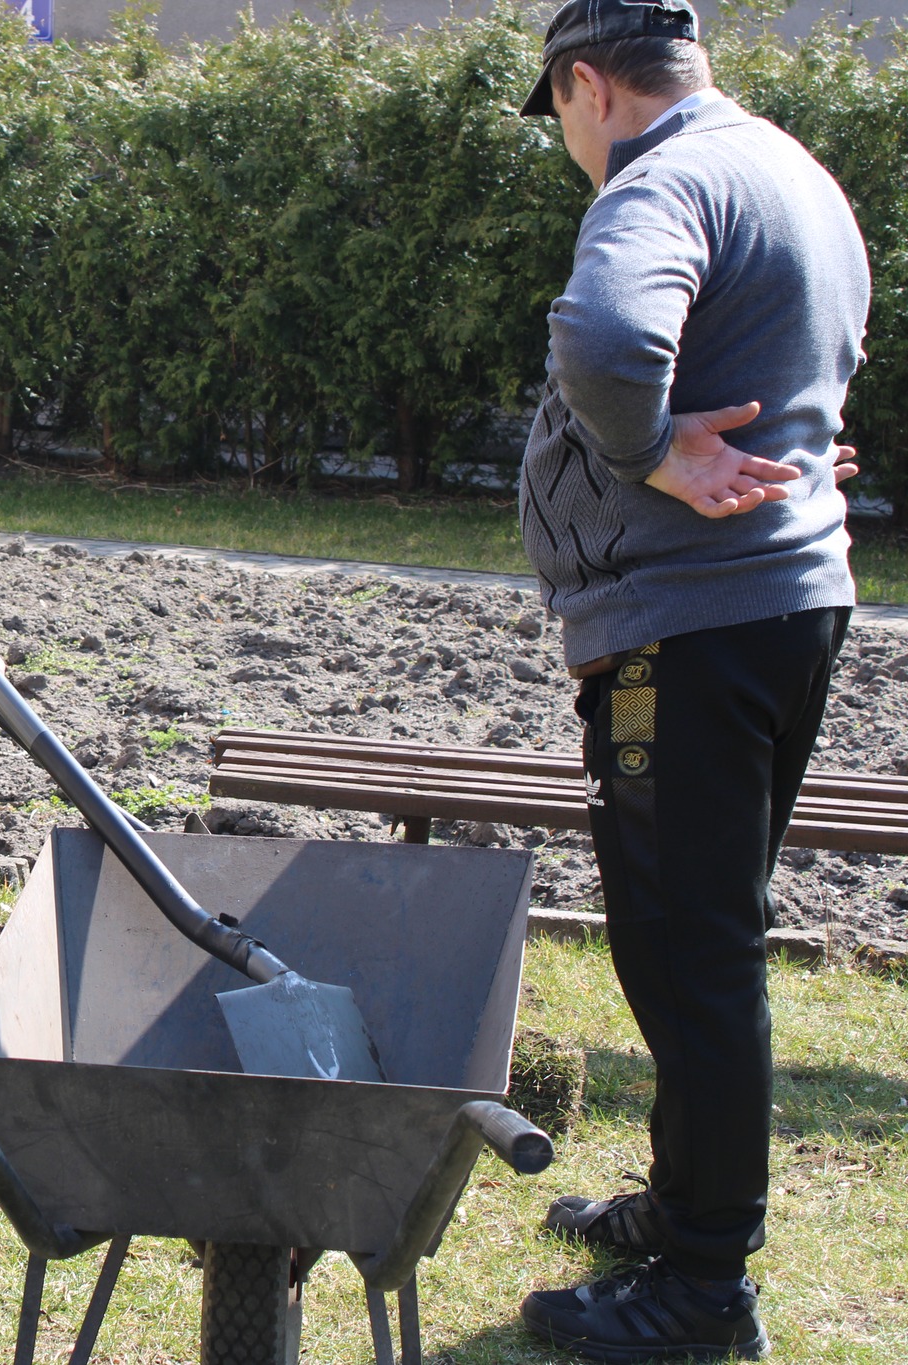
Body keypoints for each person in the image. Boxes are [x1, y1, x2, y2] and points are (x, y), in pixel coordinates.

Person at [513, 0, 869, 1357]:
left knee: (690, 950)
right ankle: (681, 1203)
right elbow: (828, 352)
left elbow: (605, 341)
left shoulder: (663, 178)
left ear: (586, 86)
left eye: (559, 117)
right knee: (701, 933)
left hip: (695, 629)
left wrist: (655, 452)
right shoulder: (792, 171)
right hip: (784, 614)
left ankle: (706, 1282)